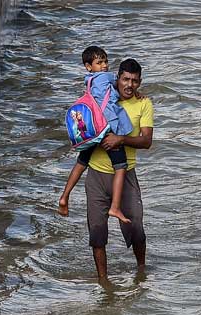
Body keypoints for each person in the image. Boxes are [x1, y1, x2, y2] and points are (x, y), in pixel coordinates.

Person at [84, 58, 154, 280]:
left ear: (140, 82)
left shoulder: (144, 104)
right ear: (117, 79)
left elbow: (146, 141)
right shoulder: (103, 97)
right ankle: (103, 282)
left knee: (137, 230)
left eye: (134, 81)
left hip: (126, 175)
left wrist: (120, 139)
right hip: (96, 173)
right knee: (96, 234)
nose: (129, 85)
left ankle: (141, 273)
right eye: (125, 79)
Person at [58, 46, 134, 224]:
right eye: (99, 62)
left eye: (105, 61)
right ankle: (115, 207)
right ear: (88, 66)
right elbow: (121, 82)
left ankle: (64, 197)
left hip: (93, 130)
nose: (104, 66)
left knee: (81, 162)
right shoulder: (104, 78)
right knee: (121, 166)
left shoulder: (89, 81)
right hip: (107, 129)